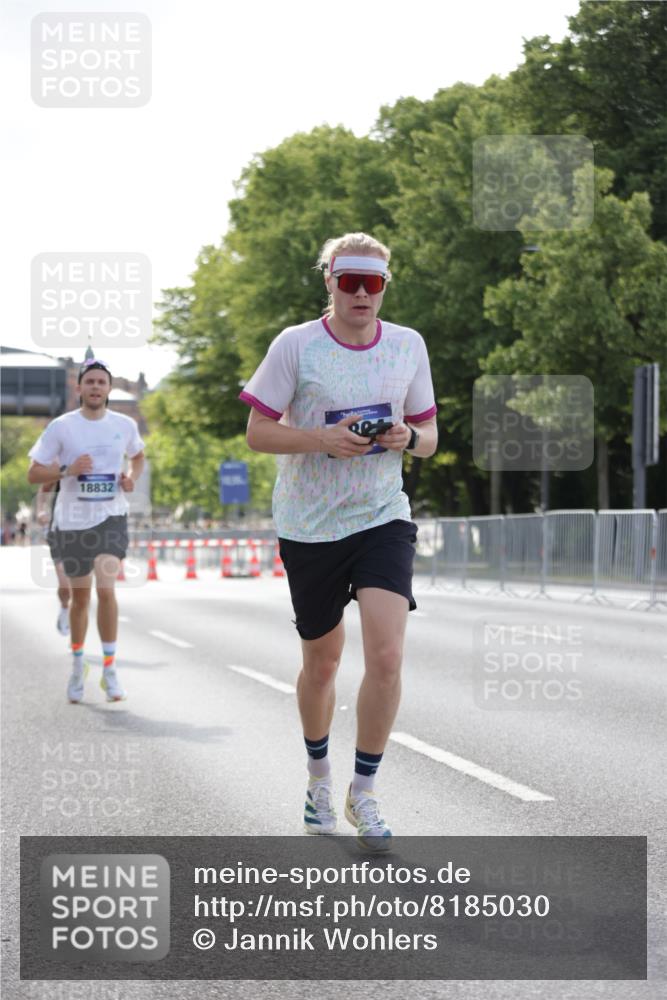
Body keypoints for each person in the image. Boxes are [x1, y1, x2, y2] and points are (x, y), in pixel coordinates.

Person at [239, 232, 438, 851]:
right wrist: (321, 440)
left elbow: (430, 438)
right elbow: (257, 432)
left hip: (382, 515)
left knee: (386, 657)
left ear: (385, 286)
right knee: (321, 663)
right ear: (328, 280)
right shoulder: (295, 345)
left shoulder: (408, 346)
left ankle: (366, 792)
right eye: (347, 279)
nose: (359, 292)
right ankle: (318, 779)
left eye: (371, 282)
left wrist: (408, 438)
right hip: (310, 524)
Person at [27, 359, 145, 704]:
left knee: (106, 590)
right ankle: (78, 664)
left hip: (111, 516)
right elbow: (34, 474)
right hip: (73, 521)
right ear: (79, 388)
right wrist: (67, 469)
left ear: (109, 389)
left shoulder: (124, 424)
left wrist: (130, 479)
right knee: (80, 599)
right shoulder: (61, 427)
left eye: (101, 382)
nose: (95, 387)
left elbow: (137, 457)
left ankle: (110, 669)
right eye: (89, 382)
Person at [36, 477, 72, 635]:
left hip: (89, 532)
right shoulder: (64, 464)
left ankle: (76, 633)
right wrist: (41, 511)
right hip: (59, 531)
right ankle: (65, 609)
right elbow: (44, 488)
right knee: (65, 585)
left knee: (80, 589)